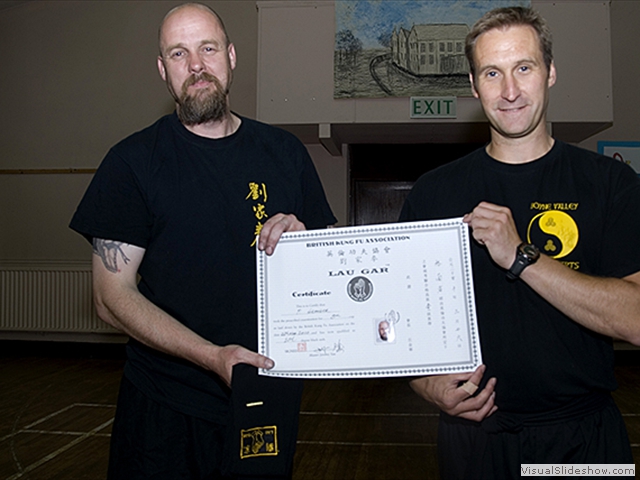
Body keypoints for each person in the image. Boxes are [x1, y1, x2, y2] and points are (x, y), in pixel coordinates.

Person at [69, 3, 336, 479]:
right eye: (178, 53)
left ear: (231, 57)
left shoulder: (285, 153)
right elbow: (112, 298)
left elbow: (337, 270)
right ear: (162, 70)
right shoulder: (132, 163)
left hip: (267, 394)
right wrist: (212, 357)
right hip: (163, 405)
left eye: (207, 48)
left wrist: (308, 244)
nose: (196, 65)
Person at [400, 6, 640, 479]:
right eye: (493, 73)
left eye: (523, 68)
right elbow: (399, 324)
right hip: (474, 440)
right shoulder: (434, 192)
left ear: (550, 73)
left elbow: (636, 319)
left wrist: (522, 257)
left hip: (581, 439)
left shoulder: (609, 182)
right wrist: (425, 385)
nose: (509, 91)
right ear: (473, 85)